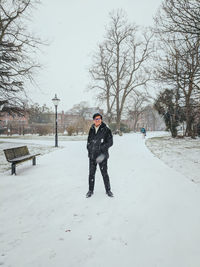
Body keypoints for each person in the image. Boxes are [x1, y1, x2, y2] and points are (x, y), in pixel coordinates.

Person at [86, 113, 113, 198]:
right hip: (92, 155)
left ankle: (108, 190)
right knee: (91, 174)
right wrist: (89, 149)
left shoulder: (106, 129)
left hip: (102, 156)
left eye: (99, 119)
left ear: (101, 119)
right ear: (93, 120)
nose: (97, 120)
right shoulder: (92, 129)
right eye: (95, 119)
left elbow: (110, 142)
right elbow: (88, 141)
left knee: (104, 173)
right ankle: (90, 190)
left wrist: (101, 148)